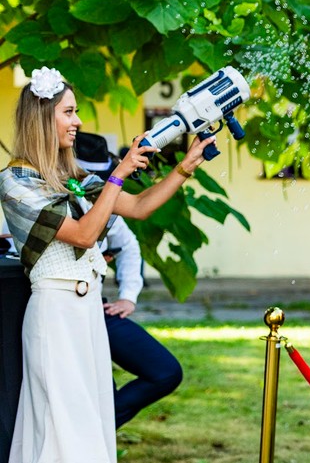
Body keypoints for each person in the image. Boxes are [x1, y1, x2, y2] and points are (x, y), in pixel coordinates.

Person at [0, 67, 212, 462]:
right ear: (42, 118)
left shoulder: (72, 177)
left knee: (91, 424)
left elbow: (139, 207)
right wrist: (119, 172)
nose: (78, 121)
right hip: (55, 316)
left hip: (87, 314)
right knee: (65, 427)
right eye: (68, 112)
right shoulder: (15, 182)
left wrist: (186, 167)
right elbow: (83, 234)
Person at [74, 131, 183, 429]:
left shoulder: (106, 200)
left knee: (165, 371)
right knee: (97, 391)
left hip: (97, 307)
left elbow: (130, 244)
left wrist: (129, 295)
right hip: (62, 309)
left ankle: (100, 430)